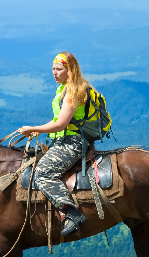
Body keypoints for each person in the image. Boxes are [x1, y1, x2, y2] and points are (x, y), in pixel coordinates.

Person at [17, 51, 94, 237]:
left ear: (70, 70)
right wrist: (38, 130)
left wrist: (34, 128)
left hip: (73, 142)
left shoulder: (73, 91)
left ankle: (70, 212)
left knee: (42, 173)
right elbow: (57, 121)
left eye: (59, 69)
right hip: (63, 139)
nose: (54, 72)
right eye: (53, 68)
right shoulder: (64, 89)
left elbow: (61, 124)